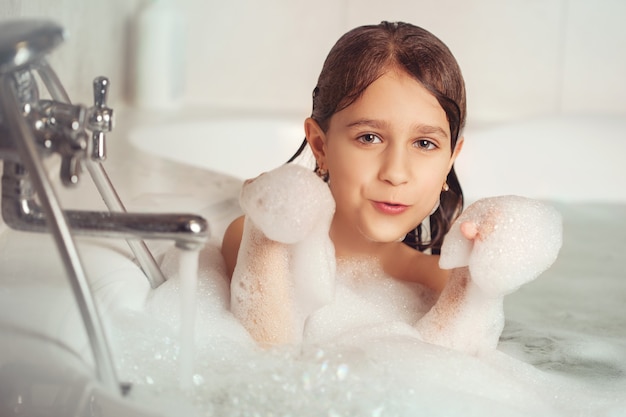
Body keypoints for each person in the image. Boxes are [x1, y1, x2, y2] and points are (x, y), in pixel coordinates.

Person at [221, 21, 466, 343]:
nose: (395, 172)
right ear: (320, 146)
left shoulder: (443, 282)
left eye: (424, 144)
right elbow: (269, 362)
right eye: (369, 137)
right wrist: (267, 229)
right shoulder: (257, 236)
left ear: (451, 158)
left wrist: (474, 284)